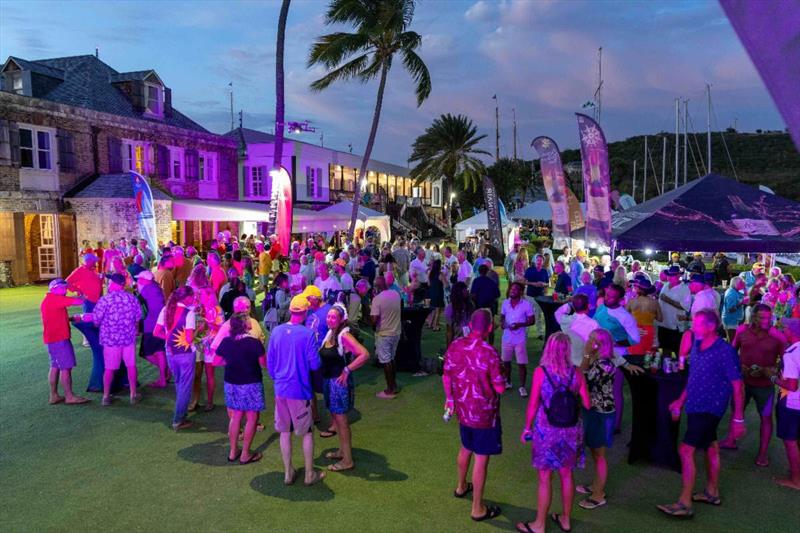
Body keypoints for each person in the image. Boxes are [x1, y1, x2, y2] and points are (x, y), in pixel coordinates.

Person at [658, 309, 745, 518]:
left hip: (711, 407)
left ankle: (685, 503)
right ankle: (712, 492)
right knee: (711, 447)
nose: (692, 327)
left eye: (697, 324)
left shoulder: (725, 351)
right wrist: (680, 400)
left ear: (710, 327)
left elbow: (738, 386)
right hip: (695, 405)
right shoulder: (696, 346)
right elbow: (694, 377)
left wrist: (738, 418)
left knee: (686, 450)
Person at [519, 333, 590, 533]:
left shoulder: (541, 372)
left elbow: (533, 404)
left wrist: (527, 427)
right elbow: (587, 403)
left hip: (546, 432)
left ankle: (539, 524)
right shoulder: (577, 373)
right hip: (571, 431)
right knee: (566, 475)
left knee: (544, 477)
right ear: (568, 350)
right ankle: (566, 520)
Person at [443, 309, 506, 522]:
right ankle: (477, 508)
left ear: (470, 324)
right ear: (489, 328)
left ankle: (461, 486)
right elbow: (499, 388)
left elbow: (446, 374)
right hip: (484, 414)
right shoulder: (489, 352)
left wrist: (450, 398)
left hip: (462, 409)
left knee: (466, 447)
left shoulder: (455, 345)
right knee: (481, 458)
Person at [267, 294, 326, 486]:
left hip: (281, 389)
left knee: (285, 431)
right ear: (305, 312)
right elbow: (315, 364)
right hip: (300, 390)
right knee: (307, 432)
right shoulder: (307, 334)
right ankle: (309, 474)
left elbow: (270, 363)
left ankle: (288, 472)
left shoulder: (276, 332)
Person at [719, 304, 786, 465]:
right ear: (753, 316)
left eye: (769, 317)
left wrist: (772, 369)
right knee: (736, 411)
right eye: (762, 317)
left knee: (766, 418)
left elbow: (786, 360)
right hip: (743, 382)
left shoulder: (777, 336)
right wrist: (738, 367)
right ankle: (731, 440)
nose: (766, 320)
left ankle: (762, 454)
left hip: (765, 386)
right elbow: (731, 352)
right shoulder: (742, 330)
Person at [319, 304, 371, 472]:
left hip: (338, 384)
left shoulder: (344, 335)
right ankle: (342, 451)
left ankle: (347, 460)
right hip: (330, 381)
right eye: (328, 316)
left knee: (341, 422)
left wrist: (347, 370)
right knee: (338, 419)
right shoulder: (330, 333)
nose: (329, 319)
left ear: (341, 319)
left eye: (333, 317)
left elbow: (364, 354)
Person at [213, 313, 266, 465]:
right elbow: (263, 363)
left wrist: (231, 363)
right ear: (245, 325)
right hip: (251, 382)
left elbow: (216, 361)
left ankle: (232, 451)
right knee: (252, 418)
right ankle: (245, 454)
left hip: (231, 382)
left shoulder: (226, 342)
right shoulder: (254, 342)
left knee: (235, 416)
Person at [577, 329, 617, 510]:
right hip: (595, 410)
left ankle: (598, 495)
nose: (587, 341)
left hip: (601, 413)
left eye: (590, 339)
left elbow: (581, 376)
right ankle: (596, 486)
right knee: (595, 452)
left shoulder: (603, 364)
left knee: (599, 455)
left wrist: (586, 354)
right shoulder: (600, 361)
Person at [89, 273, 142, 406]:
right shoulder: (131, 298)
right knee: (131, 366)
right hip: (128, 338)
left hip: (111, 340)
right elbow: (138, 318)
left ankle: (106, 396)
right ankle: (133, 394)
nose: (108, 283)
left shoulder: (105, 299)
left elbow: (96, 320)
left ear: (114, 283)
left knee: (109, 368)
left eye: (109, 281)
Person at [40, 279, 90, 405]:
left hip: (51, 339)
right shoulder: (56, 299)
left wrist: (70, 318)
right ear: (55, 288)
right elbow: (78, 301)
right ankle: (69, 396)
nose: (65, 290)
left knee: (55, 366)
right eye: (63, 288)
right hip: (59, 339)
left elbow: (54, 316)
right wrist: (81, 293)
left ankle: (54, 395)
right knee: (66, 367)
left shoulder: (50, 299)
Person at [154, 286, 197, 430]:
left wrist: (169, 339)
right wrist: (200, 330)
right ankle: (178, 420)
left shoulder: (165, 310)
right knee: (185, 387)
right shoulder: (189, 313)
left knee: (179, 384)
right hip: (185, 354)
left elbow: (156, 332)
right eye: (192, 296)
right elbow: (190, 338)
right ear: (187, 298)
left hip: (170, 352)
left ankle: (181, 414)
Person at [773, 318, 800, 490]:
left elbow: (791, 385)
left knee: (790, 441)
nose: (783, 331)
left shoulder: (791, 353)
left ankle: (796, 480)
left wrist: (773, 378)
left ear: (791, 331)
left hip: (792, 403)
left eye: (784, 328)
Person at [500, 282, 535, 397]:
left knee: (521, 364)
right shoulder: (505, 303)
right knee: (506, 362)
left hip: (520, 339)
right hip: (506, 337)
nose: (512, 290)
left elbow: (532, 320)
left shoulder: (526, 304)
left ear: (521, 292)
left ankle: (522, 386)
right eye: (511, 288)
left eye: (515, 289)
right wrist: (503, 323)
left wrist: (520, 325)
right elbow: (502, 316)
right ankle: (508, 381)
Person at [135, 270, 168, 388]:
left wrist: (137, 327)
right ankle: (164, 377)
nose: (137, 281)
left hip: (150, 326)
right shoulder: (156, 287)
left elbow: (138, 310)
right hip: (161, 324)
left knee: (147, 353)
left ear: (144, 280)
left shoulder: (145, 290)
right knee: (160, 351)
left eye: (139, 279)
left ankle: (165, 373)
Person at [372, 275, 402, 399]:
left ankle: (390, 390)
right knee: (391, 359)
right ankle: (394, 385)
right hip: (396, 332)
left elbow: (374, 320)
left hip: (384, 333)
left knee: (386, 361)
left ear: (377, 287)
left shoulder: (377, 299)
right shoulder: (395, 294)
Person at [555, 293, 599, 366]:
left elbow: (558, 312)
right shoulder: (594, 324)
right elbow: (597, 345)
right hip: (586, 359)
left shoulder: (566, 320)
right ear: (588, 306)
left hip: (569, 358)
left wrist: (569, 305)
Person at [658, 266, 691, 356]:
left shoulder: (685, 289)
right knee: (663, 350)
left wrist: (668, 300)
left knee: (675, 352)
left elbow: (685, 307)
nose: (669, 277)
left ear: (678, 276)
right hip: (663, 324)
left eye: (671, 276)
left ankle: (677, 368)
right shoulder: (665, 285)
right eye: (668, 275)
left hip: (674, 326)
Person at [625, 279, 662, 355]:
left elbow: (624, 317)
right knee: (647, 354)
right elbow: (660, 319)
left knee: (633, 353)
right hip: (648, 330)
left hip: (635, 329)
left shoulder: (632, 301)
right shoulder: (654, 303)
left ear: (639, 289)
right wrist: (651, 315)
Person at [524, 254, 549, 339]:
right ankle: (525, 333)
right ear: (535, 261)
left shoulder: (544, 271)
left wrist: (543, 284)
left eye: (541, 260)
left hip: (540, 297)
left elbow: (547, 283)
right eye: (538, 260)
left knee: (539, 315)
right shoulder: (529, 270)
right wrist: (533, 284)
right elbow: (525, 282)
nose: (539, 262)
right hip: (530, 295)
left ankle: (540, 333)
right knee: (528, 315)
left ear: (543, 262)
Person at [445, 281, 474, 347]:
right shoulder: (450, 308)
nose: (467, 291)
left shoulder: (470, 305)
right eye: (465, 289)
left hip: (470, 342)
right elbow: (449, 331)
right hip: (457, 343)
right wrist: (449, 348)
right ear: (459, 292)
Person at [427, 259, 446, 331]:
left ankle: (430, 324)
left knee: (433, 310)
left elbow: (428, 284)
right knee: (438, 310)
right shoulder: (440, 274)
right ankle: (435, 326)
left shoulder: (431, 273)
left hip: (432, 293)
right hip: (438, 293)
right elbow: (446, 285)